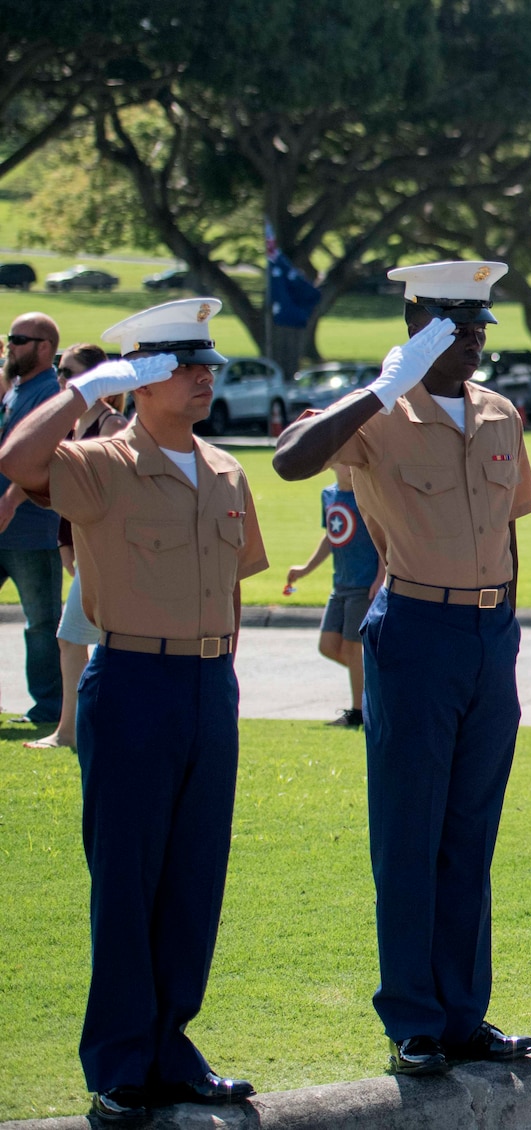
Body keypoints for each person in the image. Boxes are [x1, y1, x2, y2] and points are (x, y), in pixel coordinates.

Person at [0, 298, 268, 1121]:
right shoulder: (101, 462)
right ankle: (120, 1061)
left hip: (206, 687)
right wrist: (89, 388)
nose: (204, 378)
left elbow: (233, 582)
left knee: (194, 877)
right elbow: (15, 458)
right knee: (127, 878)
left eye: (207, 366)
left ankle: (171, 1047)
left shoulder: (226, 470)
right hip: (131, 685)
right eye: (184, 366)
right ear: (145, 377)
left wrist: (220, 671)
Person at [273, 261, 531, 1075]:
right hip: (417, 626)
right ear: (418, 332)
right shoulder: (378, 413)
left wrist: (509, 622)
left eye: (476, 331)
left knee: (470, 834)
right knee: (410, 833)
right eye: (453, 332)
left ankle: (464, 1014)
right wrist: (384, 388)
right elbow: (290, 461)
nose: (471, 347)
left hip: (489, 633)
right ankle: (414, 1021)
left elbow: (509, 529)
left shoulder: (500, 414)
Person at [25, 345, 126, 751]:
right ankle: (74, 729)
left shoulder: (111, 423)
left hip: (105, 551)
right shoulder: (71, 424)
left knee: (81, 640)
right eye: (58, 371)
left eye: (68, 371)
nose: (61, 379)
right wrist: (67, 544)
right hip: (83, 549)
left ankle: (73, 731)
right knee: (79, 640)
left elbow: (112, 495)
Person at [0, 311, 66, 725]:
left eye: (18, 339)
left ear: (44, 348)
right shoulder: (18, 390)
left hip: (30, 530)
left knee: (41, 623)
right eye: (9, 338)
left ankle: (49, 709)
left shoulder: (50, 394)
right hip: (6, 528)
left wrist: (9, 501)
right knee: (40, 623)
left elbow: (48, 454)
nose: (10, 345)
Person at [284, 463, 385, 728]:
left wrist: (380, 577)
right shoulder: (328, 496)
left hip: (363, 585)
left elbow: (382, 537)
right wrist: (305, 569)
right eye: (342, 462)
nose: (348, 468)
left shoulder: (366, 495)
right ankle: (377, 686)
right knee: (328, 646)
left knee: (354, 648)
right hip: (340, 585)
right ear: (331, 465)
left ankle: (357, 713)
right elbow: (331, 536)